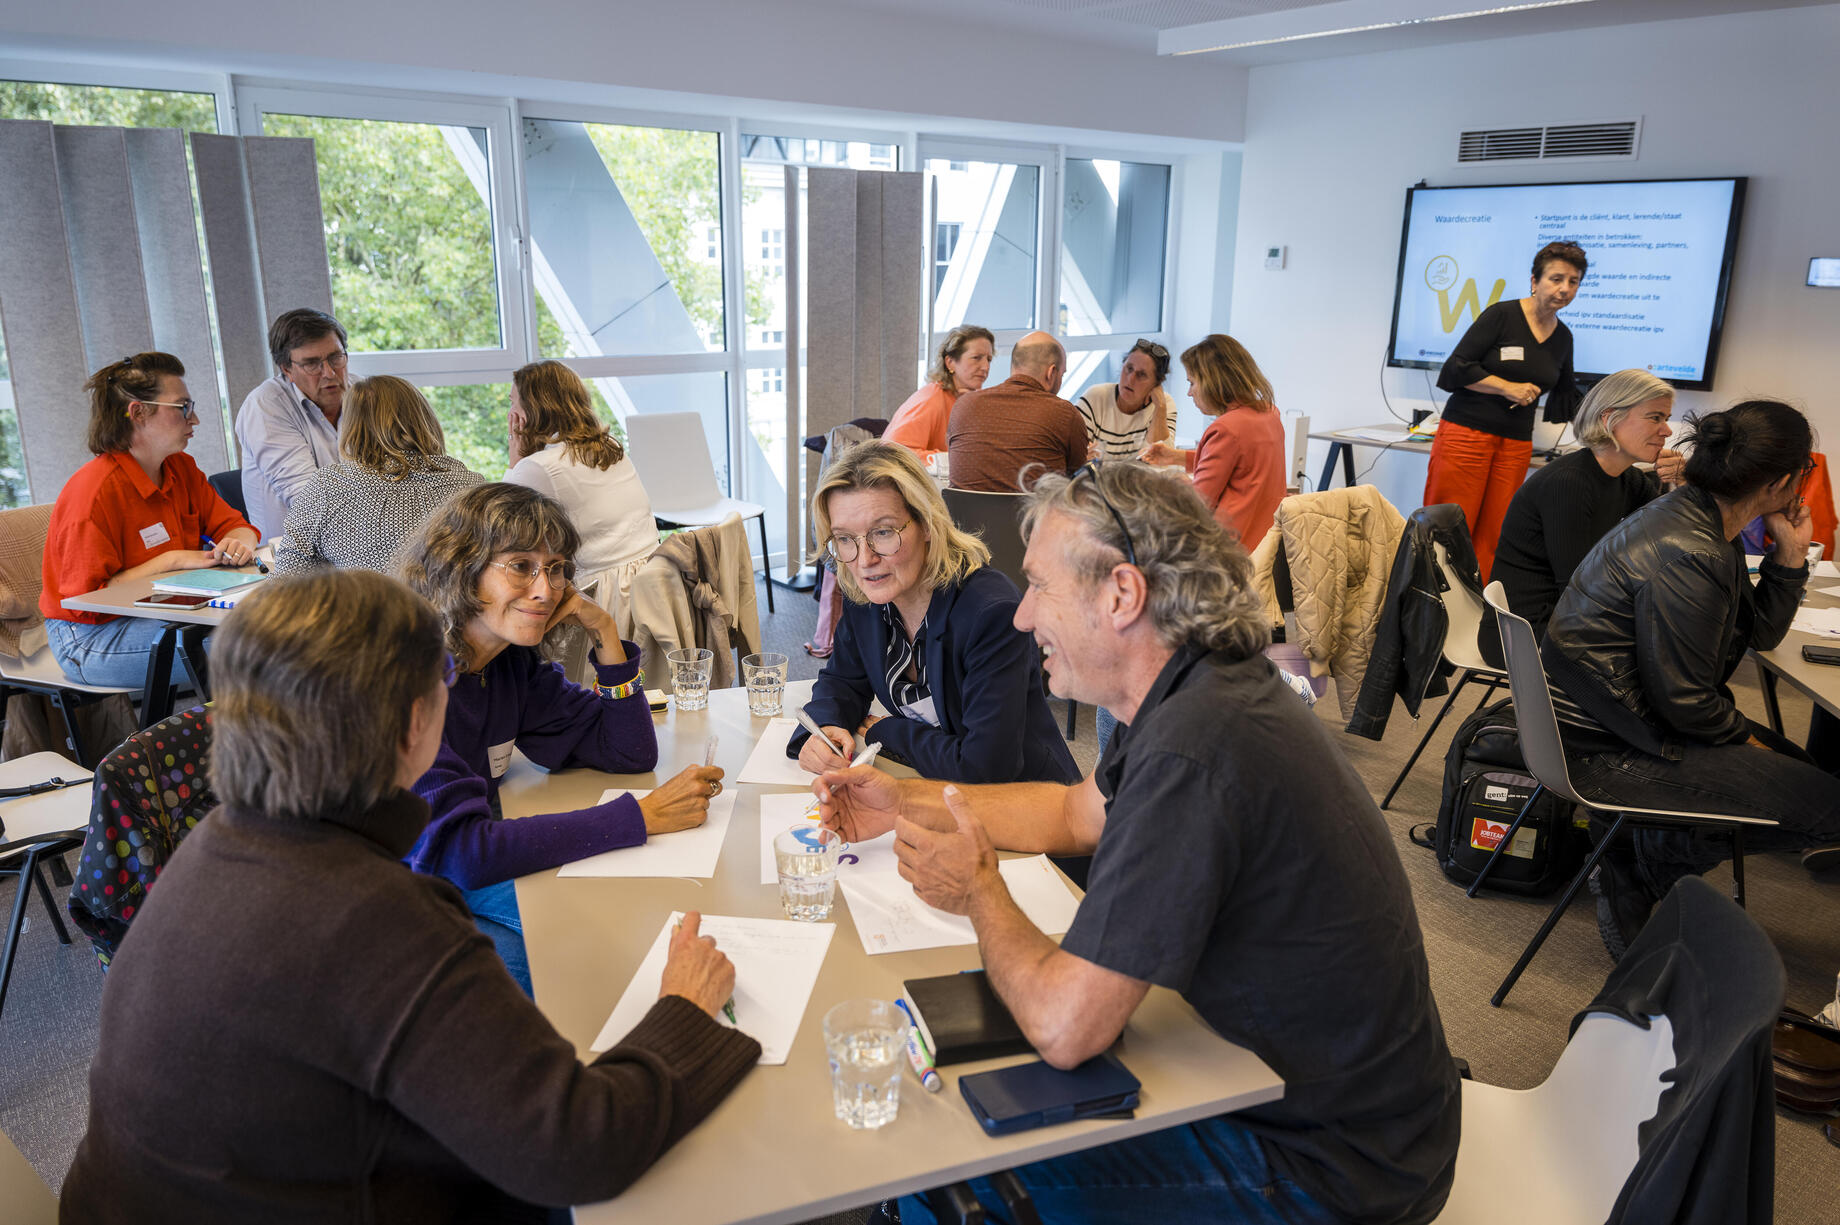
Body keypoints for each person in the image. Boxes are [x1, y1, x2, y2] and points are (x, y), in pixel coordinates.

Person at [816, 463, 1459, 1225]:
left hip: (1326, 1165)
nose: (1022, 617)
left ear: (1121, 595)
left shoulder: (1196, 751)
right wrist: (903, 803)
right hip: (1305, 1093)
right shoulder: (1197, 688)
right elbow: (1073, 813)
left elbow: (1064, 1027)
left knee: (939, 1179)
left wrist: (980, 888)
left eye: (1040, 587)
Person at [59, 569, 759, 1222]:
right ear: (412, 723)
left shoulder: (218, 844)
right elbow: (577, 1149)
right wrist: (686, 1011)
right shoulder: (379, 917)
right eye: (443, 680)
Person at [1543, 400, 1840, 958]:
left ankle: (1645, 848)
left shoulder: (1701, 516)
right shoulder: (1691, 549)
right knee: (1828, 809)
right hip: (1607, 747)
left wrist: (1790, 556)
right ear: (1783, 480)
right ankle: (1645, 861)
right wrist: (1747, 740)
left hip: (1617, 719)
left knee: (1808, 778)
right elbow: (1686, 705)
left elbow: (1760, 634)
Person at [400, 483, 721, 992]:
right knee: (581, 953)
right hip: (398, 888)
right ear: (462, 567)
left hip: (455, 870)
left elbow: (628, 752)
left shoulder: (507, 665)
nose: (547, 589)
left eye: (556, 568)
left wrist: (608, 639)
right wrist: (639, 816)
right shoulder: (409, 677)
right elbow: (461, 852)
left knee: (615, 929)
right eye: (521, 566)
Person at [788, 440, 1077, 786]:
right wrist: (825, 727)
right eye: (845, 539)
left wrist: (891, 731)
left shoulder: (991, 614)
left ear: (926, 523)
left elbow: (986, 768)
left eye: (883, 532)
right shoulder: (868, 597)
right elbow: (843, 680)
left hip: (1027, 806)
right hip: (933, 782)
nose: (864, 560)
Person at [40, 352, 259, 688]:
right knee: (265, 645)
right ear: (138, 413)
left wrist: (238, 544)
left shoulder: (180, 468)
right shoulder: (94, 492)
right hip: (91, 637)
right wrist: (169, 561)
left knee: (279, 624)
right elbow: (86, 600)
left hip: (160, 612)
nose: (195, 418)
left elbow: (236, 526)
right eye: (183, 407)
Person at [1478, 368, 1684, 665]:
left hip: (1567, 622)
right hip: (1523, 634)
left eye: (1665, 419)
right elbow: (1577, 587)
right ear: (1609, 417)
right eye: (1655, 417)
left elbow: (1669, 539)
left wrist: (1686, 484)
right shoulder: (1568, 482)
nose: (1666, 431)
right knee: (1663, 656)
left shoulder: (1630, 480)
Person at [1425, 241, 1586, 580]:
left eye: (1573, 281)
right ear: (1534, 281)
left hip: (1514, 444)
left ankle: (1478, 611)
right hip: (1466, 434)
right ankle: (1432, 609)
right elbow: (1456, 368)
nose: (1565, 289)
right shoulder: (1502, 315)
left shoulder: (1563, 338)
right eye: (1556, 279)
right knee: (1450, 526)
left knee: (1498, 532)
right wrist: (1505, 386)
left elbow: (1567, 395)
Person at [273, 374, 483, 576]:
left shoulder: (328, 487)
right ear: (424, 420)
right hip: (454, 612)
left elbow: (285, 583)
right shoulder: (473, 485)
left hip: (373, 611)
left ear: (351, 429)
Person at [504, 360, 659, 627]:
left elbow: (503, 530)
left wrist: (516, 457)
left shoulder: (540, 467)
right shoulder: (609, 447)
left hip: (601, 596)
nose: (510, 412)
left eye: (513, 402)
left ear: (532, 411)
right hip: (654, 582)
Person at [1140, 333, 1286, 550]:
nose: (1189, 393)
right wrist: (1175, 456)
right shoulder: (1270, 413)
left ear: (1212, 381)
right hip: (1266, 543)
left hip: (1228, 547)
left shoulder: (1225, 428)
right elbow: (1238, 465)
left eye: (1192, 383)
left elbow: (1199, 504)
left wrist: (1177, 484)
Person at [236, 307, 351, 540]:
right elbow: (310, 502)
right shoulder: (265, 406)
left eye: (335, 357)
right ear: (287, 369)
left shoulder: (365, 394)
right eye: (312, 364)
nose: (329, 373)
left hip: (367, 551)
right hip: (296, 567)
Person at [945, 331, 1086, 492]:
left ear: (1014, 365)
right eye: (1062, 374)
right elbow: (1077, 481)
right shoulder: (1064, 414)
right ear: (1051, 373)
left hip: (964, 516)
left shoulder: (963, 405)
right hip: (1036, 516)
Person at [883, 324, 995, 464]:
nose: (985, 367)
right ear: (950, 363)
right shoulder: (931, 398)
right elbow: (892, 452)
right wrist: (954, 459)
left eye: (988, 359)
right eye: (976, 358)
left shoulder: (973, 400)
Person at [1074, 338, 1172, 463]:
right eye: (1129, 368)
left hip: (1141, 481)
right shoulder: (1096, 397)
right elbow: (1074, 452)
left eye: (1142, 375)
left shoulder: (1164, 404)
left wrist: (1160, 408)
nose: (1131, 379)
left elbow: (1163, 460)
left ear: (1156, 384)